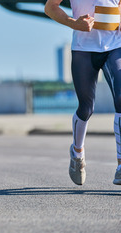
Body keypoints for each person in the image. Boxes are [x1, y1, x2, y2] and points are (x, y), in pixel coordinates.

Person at [45, 0, 121, 185]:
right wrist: (74, 23)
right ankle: (77, 153)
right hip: (83, 49)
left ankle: (120, 165)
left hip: (115, 45)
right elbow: (50, 7)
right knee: (86, 108)